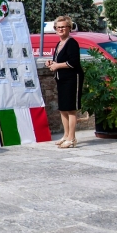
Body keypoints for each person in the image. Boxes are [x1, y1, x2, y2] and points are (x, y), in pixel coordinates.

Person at [46, 15, 83, 148]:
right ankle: (66, 135)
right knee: (63, 109)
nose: (60, 29)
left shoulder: (72, 43)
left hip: (72, 79)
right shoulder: (59, 43)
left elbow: (73, 62)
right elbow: (59, 60)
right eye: (58, 27)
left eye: (63, 27)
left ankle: (72, 138)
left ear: (69, 28)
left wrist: (57, 65)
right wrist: (51, 63)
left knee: (71, 109)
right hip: (61, 79)